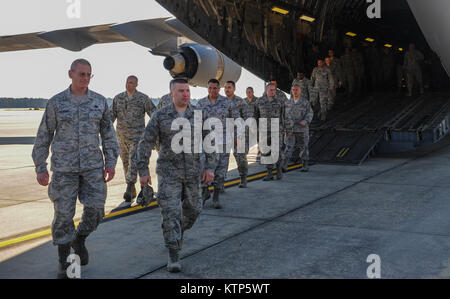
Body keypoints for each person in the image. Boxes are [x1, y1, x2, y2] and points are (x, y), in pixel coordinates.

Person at [32, 59, 119, 279]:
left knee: (96, 209)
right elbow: (44, 136)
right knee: (63, 215)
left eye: (89, 74)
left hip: (92, 167)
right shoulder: (56, 103)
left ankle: (79, 238)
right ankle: (66, 263)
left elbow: (108, 135)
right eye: (81, 74)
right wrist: (40, 166)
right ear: (70, 74)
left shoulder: (99, 102)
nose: (86, 78)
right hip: (64, 169)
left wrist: (111, 162)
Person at [135, 78, 215, 273]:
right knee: (170, 213)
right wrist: (143, 171)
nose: (185, 94)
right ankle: (173, 254)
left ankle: (176, 232)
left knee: (194, 211)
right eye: (180, 91)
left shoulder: (198, 115)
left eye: (187, 90)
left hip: (193, 173)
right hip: (168, 174)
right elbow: (145, 143)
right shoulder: (160, 116)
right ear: (172, 93)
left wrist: (210, 167)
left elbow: (210, 141)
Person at [110, 76, 156, 204]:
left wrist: (154, 132)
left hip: (137, 137)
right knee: (126, 162)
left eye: (131, 83)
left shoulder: (143, 98)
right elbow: (110, 117)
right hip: (122, 137)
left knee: (134, 160)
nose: (128, 85)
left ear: (136, 84)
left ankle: (130, 186)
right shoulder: (118, 98)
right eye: (127, 82)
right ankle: (136, 189)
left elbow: (154, 114)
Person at [196, 79, 239, 209]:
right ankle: (204, 192)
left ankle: (216, 196)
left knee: (220, 171)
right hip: (207, 143)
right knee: (204, 168)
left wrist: (237, 136)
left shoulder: (227, 103)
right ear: (207, 88)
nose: (212, 90)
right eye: (210, 88)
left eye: (215, 88)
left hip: (223, 141)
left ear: (219, 89)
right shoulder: (200, 104)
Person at [254, 83, 285, 181]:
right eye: (271, 90)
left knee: (277, 151)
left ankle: (279, 171)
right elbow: (256, 116)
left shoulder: (280, 102)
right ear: (266, 90)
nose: (273, 92)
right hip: (264, 130)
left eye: (274, 90)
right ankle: (269, 173)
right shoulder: (259, 101)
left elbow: (284, 116)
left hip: (276, 130)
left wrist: (285, 128)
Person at [282, 82, 314, 172]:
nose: (295, 92)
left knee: (303, 147)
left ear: (300, 91)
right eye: (293, 90)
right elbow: (283, 116)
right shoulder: (287, 103)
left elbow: (310, 113)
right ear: (291, 91)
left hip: (301, 129)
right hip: (290, 129)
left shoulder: (305, 102)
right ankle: (284, 165)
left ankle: (304, 165)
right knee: (288, 147)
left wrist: (306, 121)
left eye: (296, 90)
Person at [224, 81, 251, 188]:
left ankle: (243, 178)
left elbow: (247, 119)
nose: (227, 89)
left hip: (237, 137)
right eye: (225, 87)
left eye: (229, 87)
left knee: (241, 158)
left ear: (234, 89)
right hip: (224, 136)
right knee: (222, 160)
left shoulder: (240, 102)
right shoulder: (221, 101)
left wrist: (239, 136)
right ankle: (220, 183)